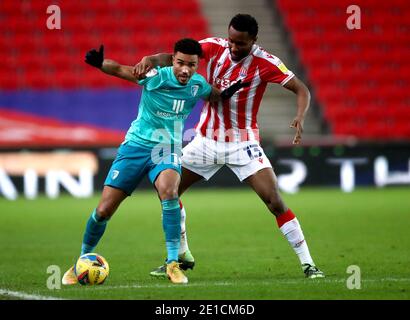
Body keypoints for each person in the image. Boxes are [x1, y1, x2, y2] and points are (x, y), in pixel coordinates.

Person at [133, 14, 324, 278]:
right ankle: (181, 257)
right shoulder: (214, 47)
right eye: (231, 41)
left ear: (254, 41)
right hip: (205, 141)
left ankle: (308, 264)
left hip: (242, 144)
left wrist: (300, 116)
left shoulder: (265, 63)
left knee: (274, 201)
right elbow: (179, 57)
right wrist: (151, 60)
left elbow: (302, 89)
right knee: (168, 191)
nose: (234, 47)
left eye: (241, 44)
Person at [61, 38, 249, 285]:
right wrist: (100, 64)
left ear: (197, 65)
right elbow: (120, 70)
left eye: (191, 65)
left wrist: (225, 94)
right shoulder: (155, 76)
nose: (185, 70)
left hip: (166, 147)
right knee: (103, 210)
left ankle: (172, 263)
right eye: (180, 63)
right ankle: (80, 262)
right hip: (136, 146)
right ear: (173, 60)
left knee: (169, 192)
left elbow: (212, 95)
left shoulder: (197, 84)